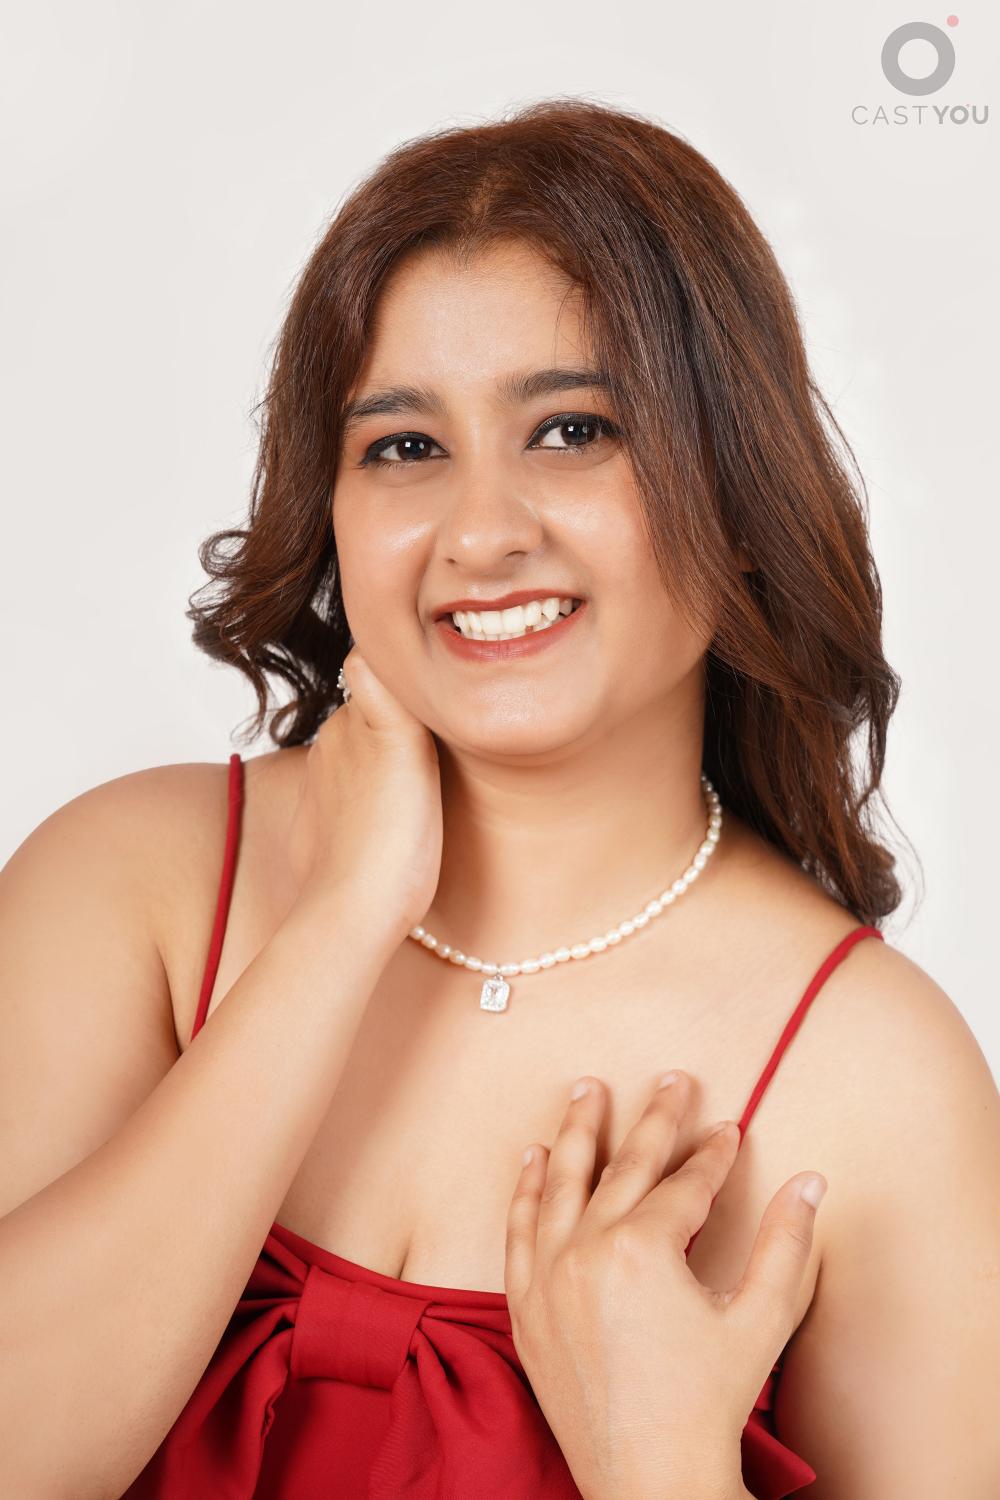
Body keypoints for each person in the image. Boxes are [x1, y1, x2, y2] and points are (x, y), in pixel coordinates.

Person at [0, 98, 997, 1499]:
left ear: (736, 487)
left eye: (574, 429)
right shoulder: (132, 884)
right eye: (405, 447)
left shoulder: (879, 1083)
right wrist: (340, 924)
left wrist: (660, 1459)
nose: (481, 532)